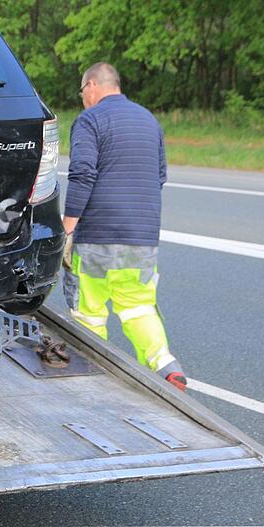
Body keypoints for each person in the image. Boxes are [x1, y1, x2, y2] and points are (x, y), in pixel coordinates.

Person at [62, 62, 187, 391]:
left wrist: (68, 228)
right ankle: (164, 363)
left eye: (82, 92)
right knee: (138, 307)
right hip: (142, 237)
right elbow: (159, 176)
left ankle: (93, 376)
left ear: (92, 86)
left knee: (89, 311)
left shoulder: (90, 120)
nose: (83, 98)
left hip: (97, 237)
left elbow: (83, 173)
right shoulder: (149, 120)